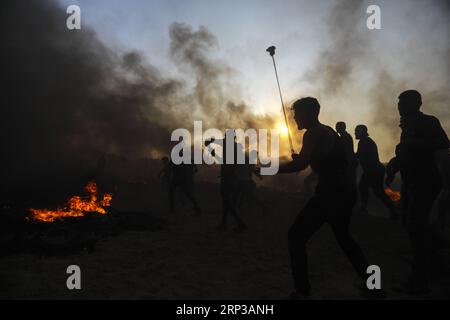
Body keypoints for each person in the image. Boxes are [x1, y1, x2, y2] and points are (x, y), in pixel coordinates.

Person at [278, 97, 380, 299]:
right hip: (345, 192)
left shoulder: (313, 132)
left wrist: (271, 168)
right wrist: (304, 159)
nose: (294, 118)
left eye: (297, 114)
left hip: (331, 194)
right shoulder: (327, 131)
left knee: (295, 236)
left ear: (309, 114)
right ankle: (374, 286)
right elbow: (318, 159)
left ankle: (302, 292)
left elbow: (301, 166)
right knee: (345, 238)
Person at [386, 90, 449, 295]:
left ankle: (419, 281)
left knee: (415, 225)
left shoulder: (428, 122)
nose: (399, 106)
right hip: (411, 181)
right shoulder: (407, 126)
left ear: (417, 104)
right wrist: (394, 165)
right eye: (399, 103)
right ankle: (435, 259)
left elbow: (443, 143)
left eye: (403, 102)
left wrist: (412, 143)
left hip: (426, 182)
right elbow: (405, 152)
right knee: (410, 223)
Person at [355, 124, 397, 220]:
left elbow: (359, 155)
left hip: (373, 170)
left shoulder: (364, 142)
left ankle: (364, 208)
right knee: (377, 191)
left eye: (358, 131)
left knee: (365, 188)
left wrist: (350, 156)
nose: (355, 133)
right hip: (375, 170)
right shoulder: (366, 141)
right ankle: (393, 211)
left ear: (363, 132)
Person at [169, 150, 201, 215]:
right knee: (187, 193)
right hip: (181, 179)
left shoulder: (179, 159)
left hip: (178, 178)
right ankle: (196, 207)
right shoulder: (186, 160)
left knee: (174, 193)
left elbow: (171, 167)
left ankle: (172, 208)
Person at [336, 122, 357, 189]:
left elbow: (346, 151)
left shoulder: (345, 137)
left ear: (343, 127)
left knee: (348, 183)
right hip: (347, 163)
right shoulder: (343, 137)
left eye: (338, 127)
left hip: (347, 163)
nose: (337, 128)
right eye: (337, 126)